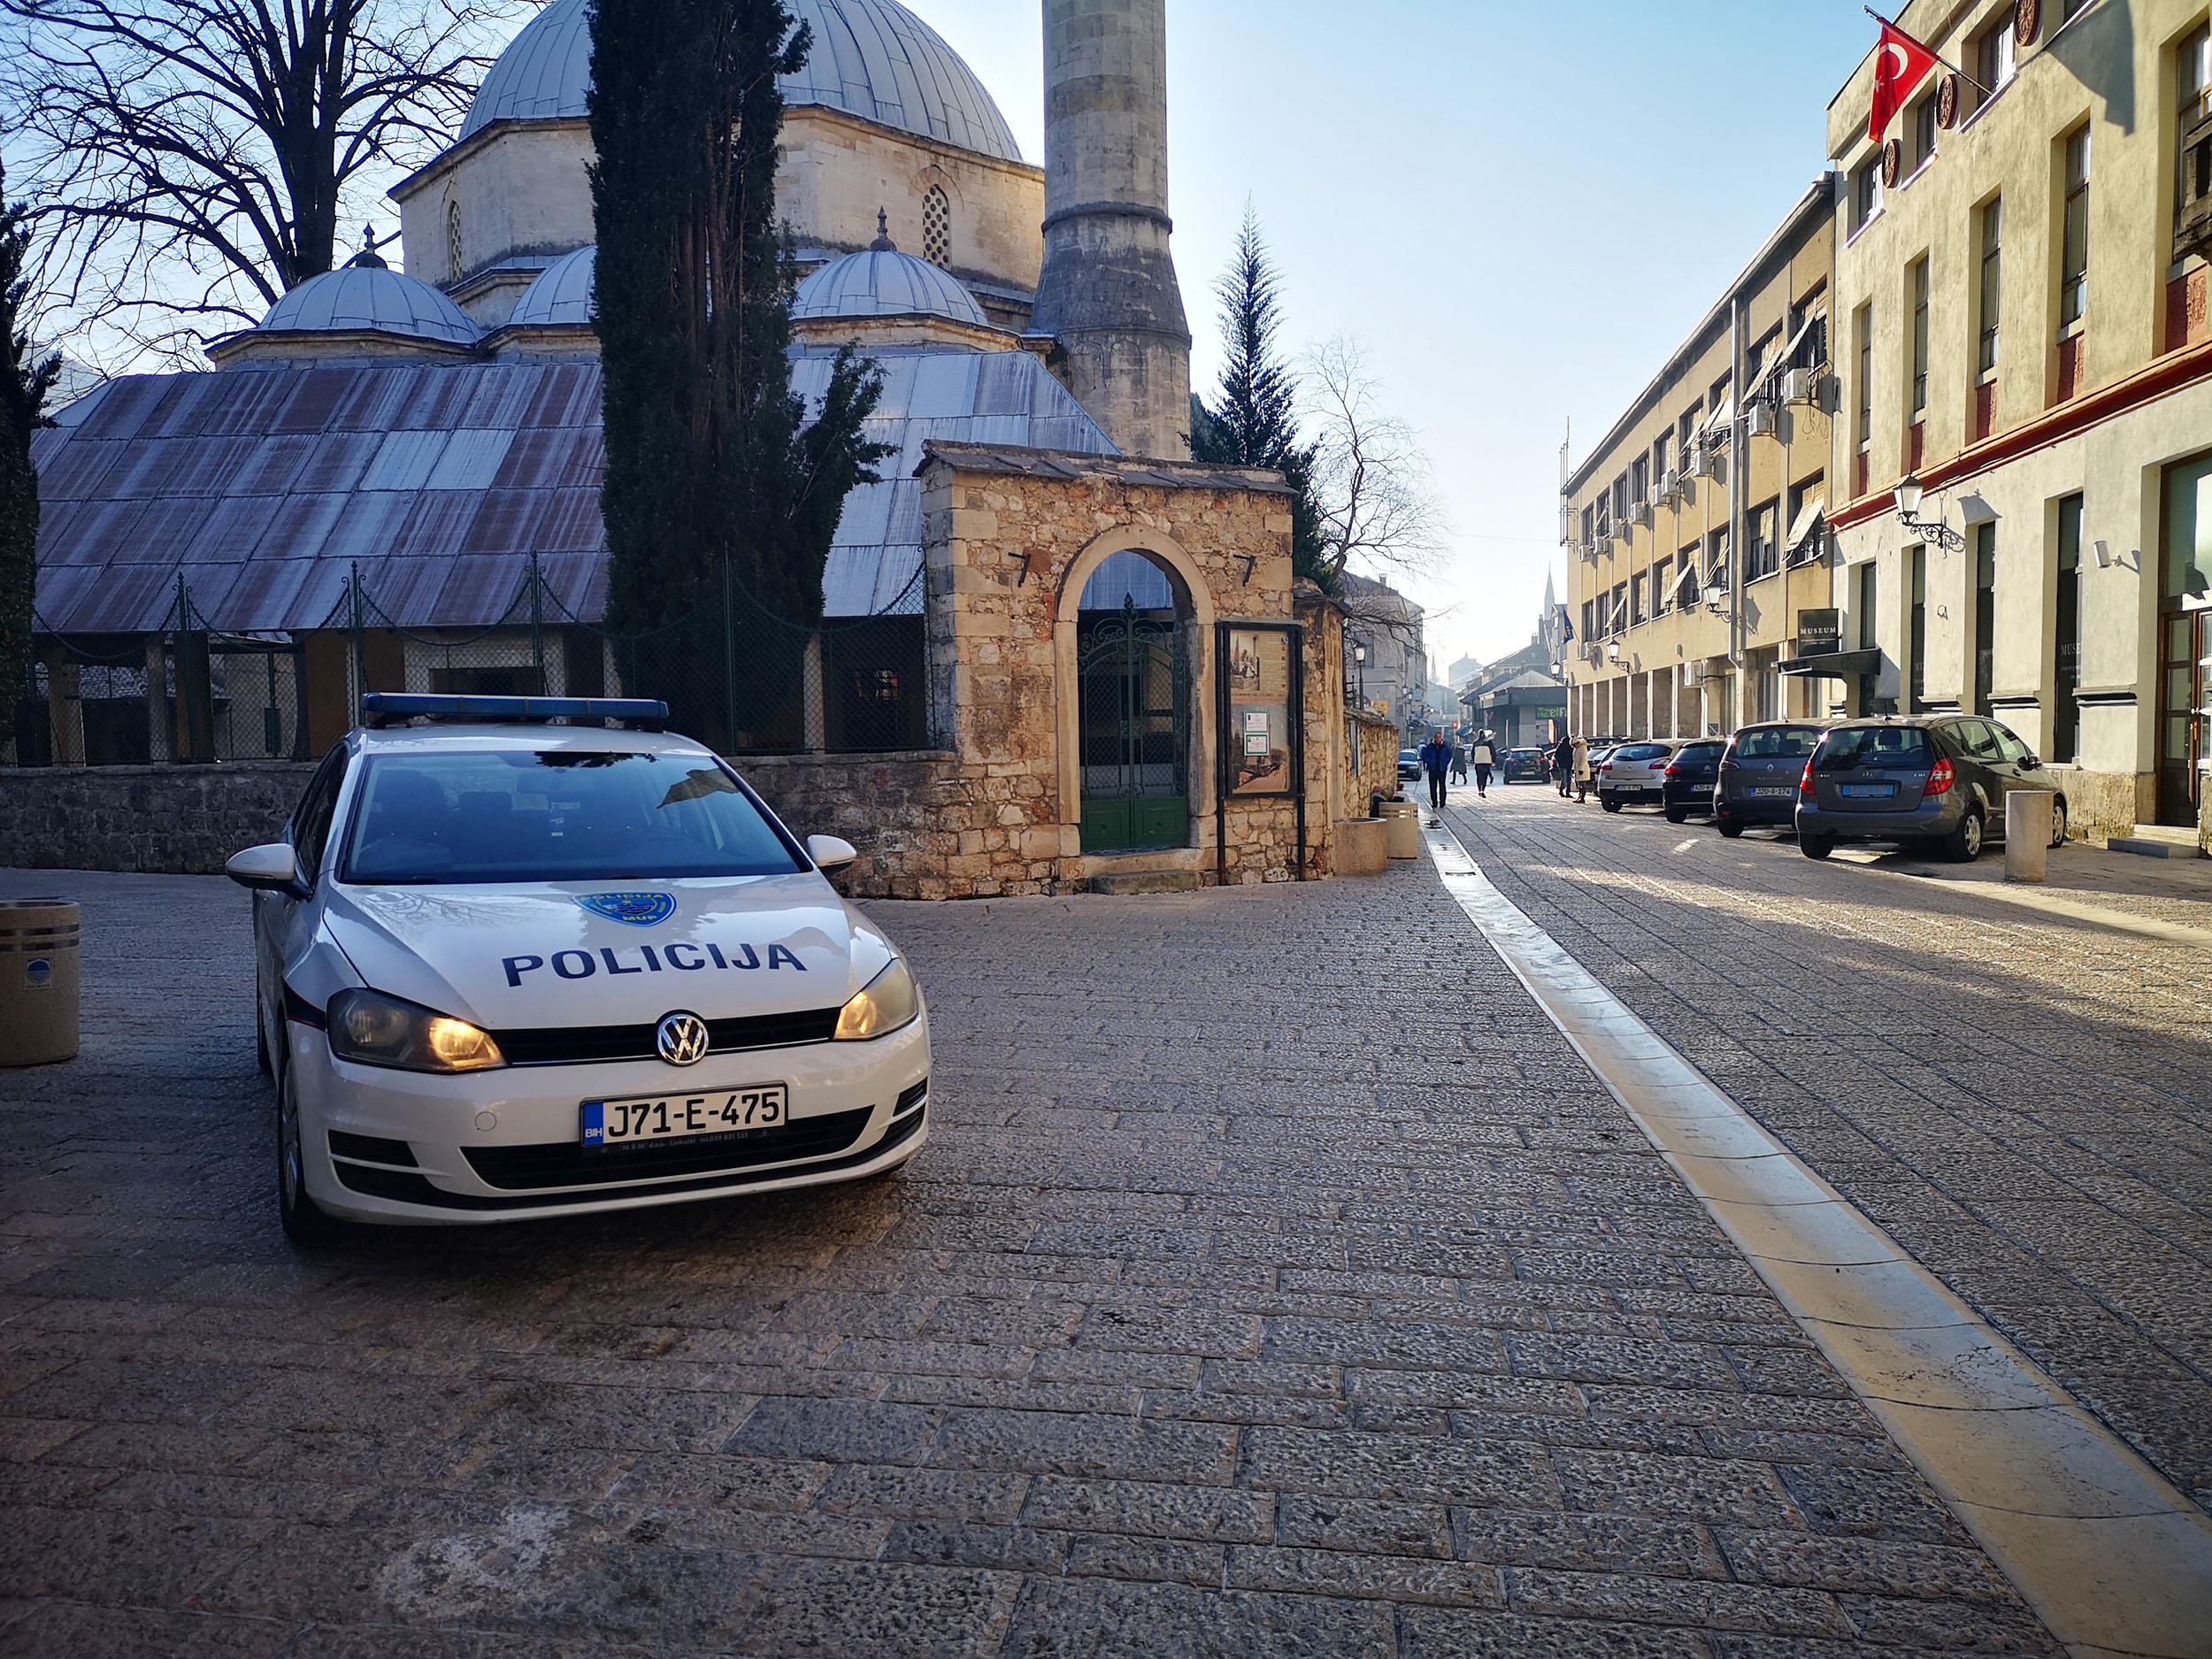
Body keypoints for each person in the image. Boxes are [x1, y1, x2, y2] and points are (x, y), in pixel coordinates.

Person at [1417, 728, 1453, 811]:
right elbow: (1424, 755)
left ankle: (1442, 802)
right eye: (1437, 737)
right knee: (1433, 787)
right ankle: (1434, 802)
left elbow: (1449, 755)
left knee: (1442, 786)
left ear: (1441, 738)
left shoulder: (1445, 747)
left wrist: (1445, 763)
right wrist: (1429, 762)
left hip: (1441, 769)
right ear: (1434, 738)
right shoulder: (1429, 747)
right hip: (1433, 770)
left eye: (1440, 737)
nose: (1438, 739)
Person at [1467, 730, 1497, 798]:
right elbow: (1493, 752)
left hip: (1478, 762)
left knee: (1479, 777)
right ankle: (1482, 790)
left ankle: (1479, 790)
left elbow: (1472, 753)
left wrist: (1474, 759)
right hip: (1486, 762)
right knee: (1484, 777)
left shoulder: (1475, 743)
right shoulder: (1489, 743)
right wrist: (1493, 761)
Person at [1571, 734, 1594, 803]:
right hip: (1577, 768)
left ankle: (1582, 797)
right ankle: (1580, 796)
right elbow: (1575, 759)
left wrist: (1581, 768)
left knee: (1582, 784)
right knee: (1579, 784)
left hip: (1582, 769)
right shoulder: (1577, 748)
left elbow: (1583, 759)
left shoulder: (1583, 748)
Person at [1551, 733, 1574, 797]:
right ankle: (1564, 791)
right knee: (1566, 778)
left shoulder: (1565, 746)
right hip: (1565, 765)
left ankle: (1565, 791)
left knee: (1567, 778)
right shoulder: (1565, 746)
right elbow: (1557, 755)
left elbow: (1556, 755)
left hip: (1566, 765)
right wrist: (1561, 762)